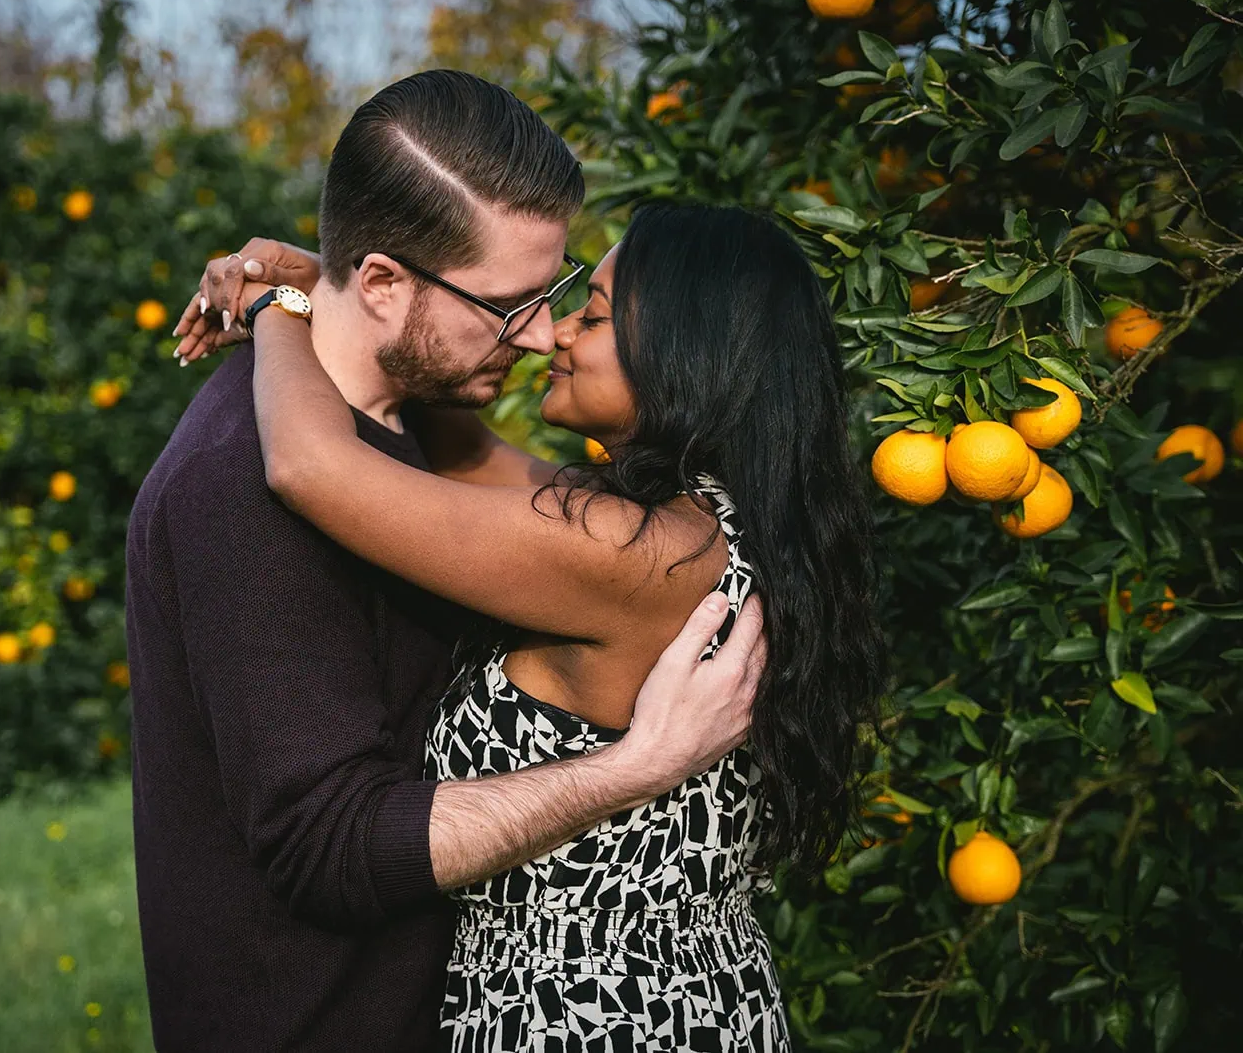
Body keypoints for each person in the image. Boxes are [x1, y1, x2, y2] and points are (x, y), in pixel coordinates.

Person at [127, 70, 769, 1052]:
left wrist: (296, 289)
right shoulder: (239, 482)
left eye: (557, 296)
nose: (543, 333)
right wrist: (634, 768)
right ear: (382, 282)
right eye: (511, 303)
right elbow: (329, 838)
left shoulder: (413, 433)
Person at [179, 199, 887, 1050]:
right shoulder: (692, 528)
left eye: (590, 315)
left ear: (682, 354)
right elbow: (469, 452)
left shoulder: (632, 554)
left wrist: (275, 311)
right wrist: (341, 287)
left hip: (599, 1017)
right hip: (680, 995)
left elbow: (308, 465)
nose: (552, 337)